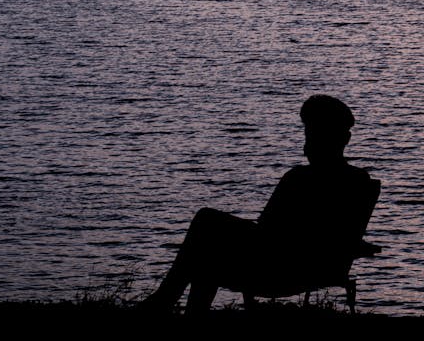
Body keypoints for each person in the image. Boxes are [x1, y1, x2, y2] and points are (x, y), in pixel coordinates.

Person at [142, 94, 376, 314]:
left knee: (206, 228)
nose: (308, 139)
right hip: (319, 268)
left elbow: (268, 232)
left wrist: (238, 230)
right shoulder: (359, 181)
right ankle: (167, 302)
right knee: (207, 251)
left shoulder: (298, 178)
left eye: (311, 132)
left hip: (281, 269)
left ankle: (164, 301)